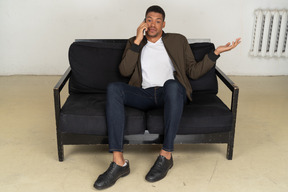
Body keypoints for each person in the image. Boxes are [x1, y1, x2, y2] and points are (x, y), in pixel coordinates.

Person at [94, 5, 241, 190]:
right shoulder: (134, 42)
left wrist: (216, 53)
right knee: (114, 88)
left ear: (164, 24)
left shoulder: (178, 40)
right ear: (144, 22)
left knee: (171, 84)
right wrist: (138, 41)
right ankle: (119, 163)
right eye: (149, 20)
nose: (153, 24)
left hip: (170, 94)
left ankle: (166, 155)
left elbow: (193, 72)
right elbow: (124, 70)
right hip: (144, 94)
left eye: (157, 21)